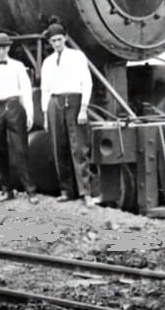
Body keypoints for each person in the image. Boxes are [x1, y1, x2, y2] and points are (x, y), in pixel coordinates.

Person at [40, 23, 100, 206]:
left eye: (59, 39)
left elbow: (86, 83)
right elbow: (45, 89)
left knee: (79, 148)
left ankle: (86, 194)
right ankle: (66, 191)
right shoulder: (48, 62)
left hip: (74, 102)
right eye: (53, 41)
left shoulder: (77, 57)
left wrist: (83, 108)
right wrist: (44, 114)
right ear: (50, 43)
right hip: (54, 104)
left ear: (65, 38)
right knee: (60, 149)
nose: (57, 43)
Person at [0, 32, 38, 204]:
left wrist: (30, 112)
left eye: (3, 48)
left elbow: (26, 89)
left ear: (9, 48)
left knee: (20, 149)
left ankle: (30, 191)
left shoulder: (18, 66)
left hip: (13, 107)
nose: (1, 51)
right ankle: (6, 189)